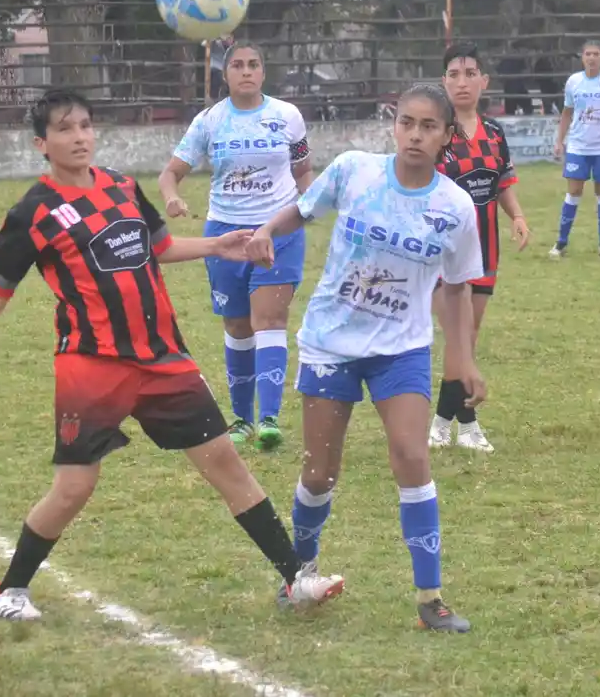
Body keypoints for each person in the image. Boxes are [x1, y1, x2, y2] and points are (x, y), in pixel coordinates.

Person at [0, 89, 344, 621]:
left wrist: (216, 245)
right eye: (65, 129)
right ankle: (11, 589)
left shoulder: (122, 186)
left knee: (226, 465)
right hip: (92, 364)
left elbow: (157, 247)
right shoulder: (35, 212)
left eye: (85, 126)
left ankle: (296, 579)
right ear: (42, 144)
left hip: (162, 357)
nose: (79, 137)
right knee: (74, 487)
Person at [247, 83, 488, 633]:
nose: (415, 135)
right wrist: (265, 230)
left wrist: (465, 359)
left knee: (412, 457)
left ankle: (430, 599)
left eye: (429, 126)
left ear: (446, 136)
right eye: (407, 122)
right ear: (394, 126)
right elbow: (301, 210)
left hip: (401, 349)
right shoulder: (355, 170)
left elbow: (456, 288)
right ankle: (299, 575)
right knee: (320, 472)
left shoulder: (455, 207)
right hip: (331, 344)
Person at [157, 42, 312, 451]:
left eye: (254, 64)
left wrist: (308, 205)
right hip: (225, 235)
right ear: (224, 75)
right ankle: (242, 419)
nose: (246, 71)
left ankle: (269, 419)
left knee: (270, 319)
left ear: (264, 71)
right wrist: (172, 198)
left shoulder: (287, 116)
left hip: (279, 230)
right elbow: (170, 173)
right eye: (238, 65)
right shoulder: (210, 121)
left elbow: (303, 171)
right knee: (238, 326)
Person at [429, 42, 530, 454]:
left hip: (485, 250)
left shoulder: (494, 133)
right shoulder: (436, 131)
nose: (462, 81)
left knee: (467, 339)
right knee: (458, 338)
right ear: (443, 81)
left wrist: (517, 216)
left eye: (470, 73)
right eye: (454, 74)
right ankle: (466, 426)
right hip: (444, 253)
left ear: (484, 81)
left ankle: (442, 423)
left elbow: (502, 181)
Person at [549, 40, 600, 259]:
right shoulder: (574, 82)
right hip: (578, 146)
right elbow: (567, 112)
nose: (591, 58)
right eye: (588, 54)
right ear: (582, 57)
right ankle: (561, 243)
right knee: (574, 191)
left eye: (596, 54)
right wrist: (559, 140)